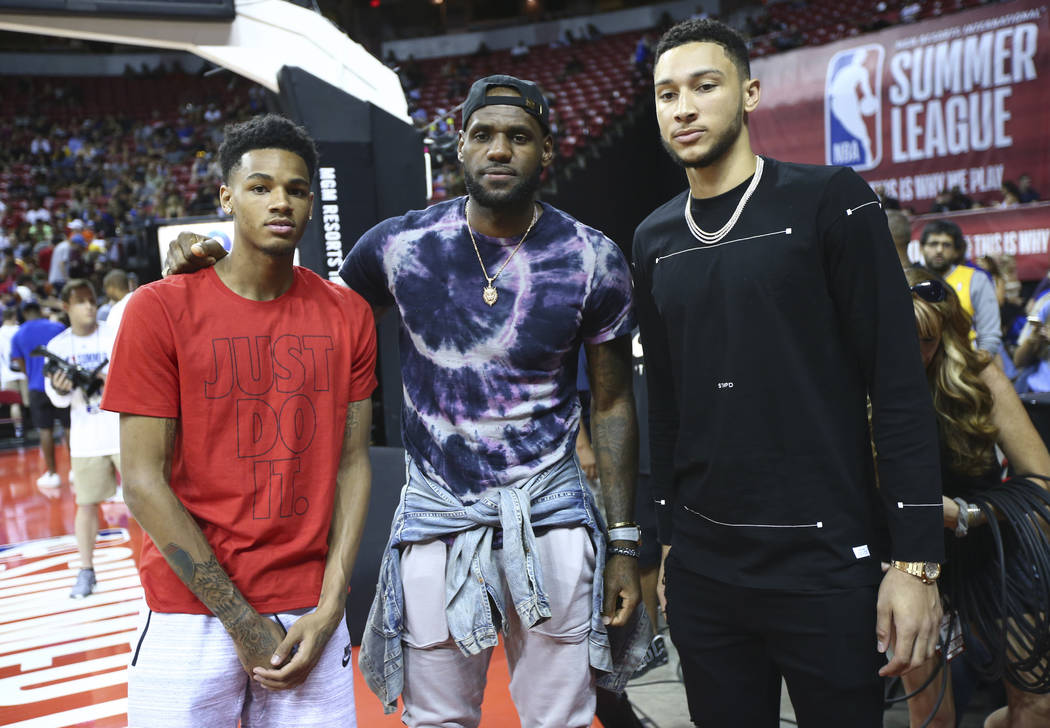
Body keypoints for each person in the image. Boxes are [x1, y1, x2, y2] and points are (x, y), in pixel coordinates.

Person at [167, 76, 645, 728]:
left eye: (519, 137)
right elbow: (307, 307)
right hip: (436, 518)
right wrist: (218, 269)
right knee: (437, 720)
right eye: (484, 135)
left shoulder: (593, 258)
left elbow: (613, 403)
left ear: (547, 152)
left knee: (560, 719)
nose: (499, 150)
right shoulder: (401, 245)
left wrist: (622, 543)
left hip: (552, 515)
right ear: (459, 146)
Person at [632, 19, 944, 727]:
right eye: (666, 93)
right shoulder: (653, 238)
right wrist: (672, 545)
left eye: (703, 86)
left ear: (748, 93)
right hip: (707, 572)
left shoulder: (831, 199)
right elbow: (669, 405)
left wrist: (915, 562)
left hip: (827, 562)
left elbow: (897, 387)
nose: (682, 108)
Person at [101, 114, 376, 727]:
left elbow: (353, 463)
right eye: (260, 186)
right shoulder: (158, 310)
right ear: (227, 195)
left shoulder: (347, 314)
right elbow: (142, 482)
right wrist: (239, 619)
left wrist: (333, 603)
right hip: (188, 611)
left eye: (297, 189)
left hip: (308, 612)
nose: (281, 200)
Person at [902, 267, 1050, 728]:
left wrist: (967, 515)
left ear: (945, 333)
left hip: (991, 547)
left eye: (926, 339)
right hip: (911, 561)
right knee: (932, 716)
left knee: (1038, 703)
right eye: (901, 337)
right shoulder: (856, 380)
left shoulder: (978, 374)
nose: (915, 353)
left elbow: (1042, 482)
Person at [43, 278, 120, 599]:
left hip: (124, 431)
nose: (89, 306)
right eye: (81, 302)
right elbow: (56, 398)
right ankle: (86, 570)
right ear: (66, 308)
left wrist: (110, 378)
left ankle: (169, 567)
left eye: (92, 300)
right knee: (86, 504)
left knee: (151, 502)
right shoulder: (58, 346)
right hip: (87, 437)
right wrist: (61, 388)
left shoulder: (114, 333)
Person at [920, 219, 1002, 355]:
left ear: (956, 251)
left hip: (967, 359)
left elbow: (989, 336)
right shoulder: (910, 279)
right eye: (933, 244)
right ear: (921, 248)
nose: (939, 250)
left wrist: (975, 365)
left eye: (946, 245)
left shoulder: (976, 279)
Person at [11, 300, 69, 489]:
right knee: (69, 427)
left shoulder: (18, 334)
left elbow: (19, 362)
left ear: (25, 312)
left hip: (37, 387)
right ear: (38, 310)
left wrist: (31, 374)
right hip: (61, 384)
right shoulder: (58, 327)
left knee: (45, 430)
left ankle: (52, 474)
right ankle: (76, 470)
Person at [0, 306, 28, 438]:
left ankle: (19, 430)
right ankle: (40, 428)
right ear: (14, 316)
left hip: (7, 373)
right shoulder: (21, 330)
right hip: (24, 371)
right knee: (31, 402)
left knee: (14, 403)